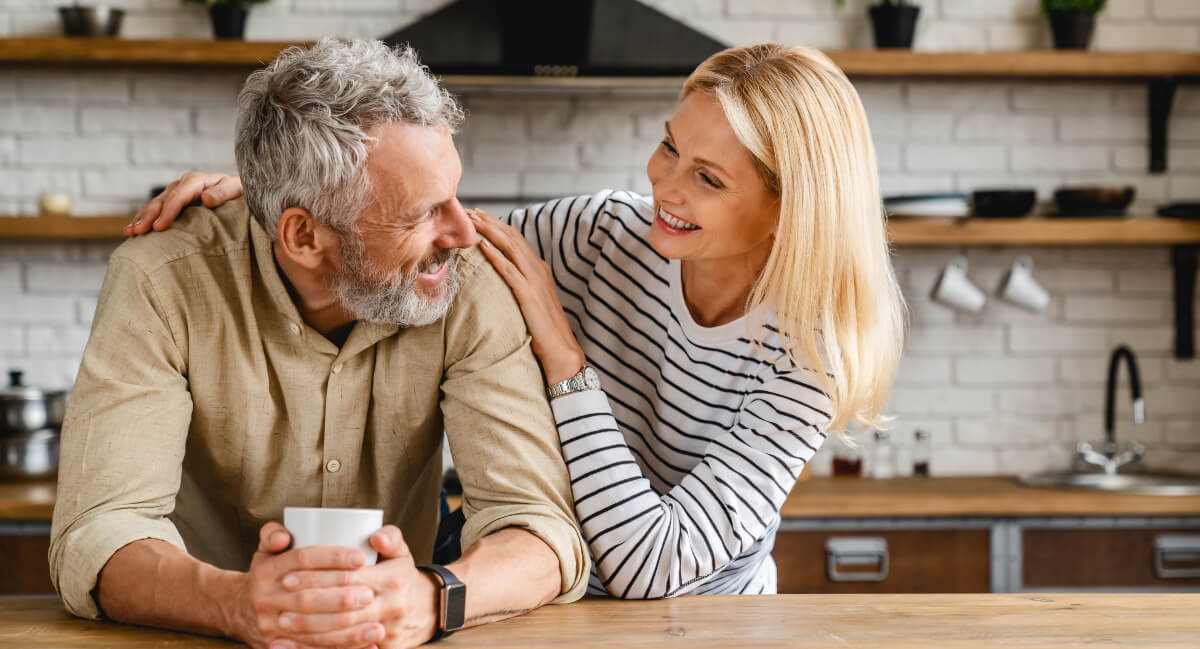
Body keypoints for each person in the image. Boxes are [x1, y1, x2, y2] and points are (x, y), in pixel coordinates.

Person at [130, 43, 905, 599]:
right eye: (669, 146)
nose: (662, 183)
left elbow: (653, 563)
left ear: (789, 211)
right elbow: (412, 229)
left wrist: (565, 358)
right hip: (539, 599)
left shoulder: (812, 356)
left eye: (706, 178)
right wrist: (278, 190)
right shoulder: (606, 232)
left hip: (699, 621)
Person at [51, 38, 589, 649]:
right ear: (303, 236)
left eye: (455, 194)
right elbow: (97, 534)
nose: (463, 231)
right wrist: (232, 604)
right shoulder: (161, 280)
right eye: (420, 213)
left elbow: (541, 531)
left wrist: (435, 598)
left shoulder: (464, 280)